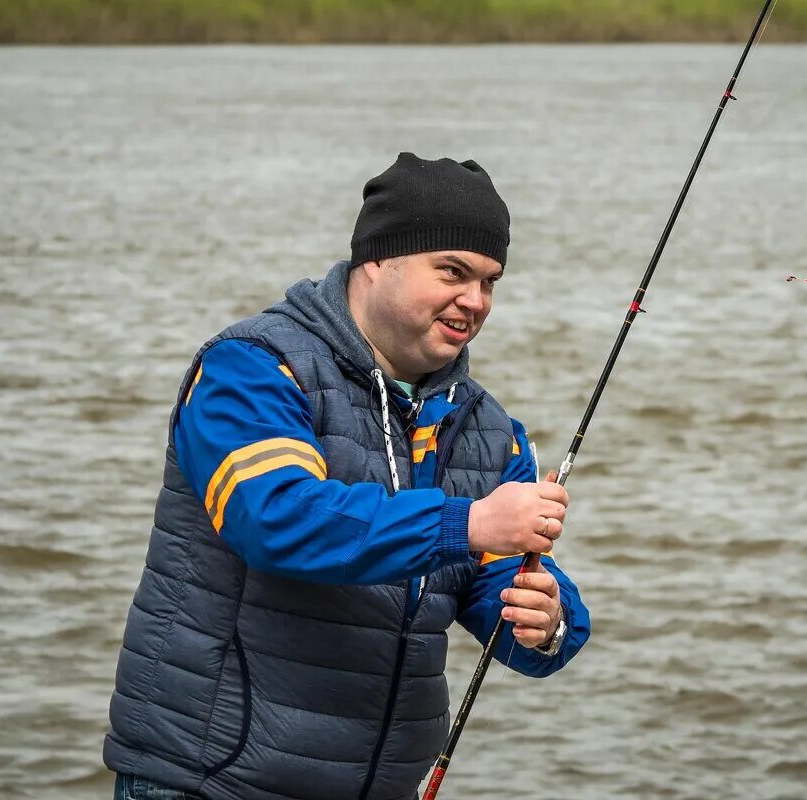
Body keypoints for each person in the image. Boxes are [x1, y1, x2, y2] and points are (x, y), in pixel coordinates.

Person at [103, 153, 591, 800]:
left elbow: (514, 610)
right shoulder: (251, 370)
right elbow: (276, 518)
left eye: (490, 281)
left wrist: (545, 620)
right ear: (377, 260)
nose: (474, 301)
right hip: (210, 783)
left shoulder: (492, 433)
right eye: (452, 271)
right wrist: (469, 521)